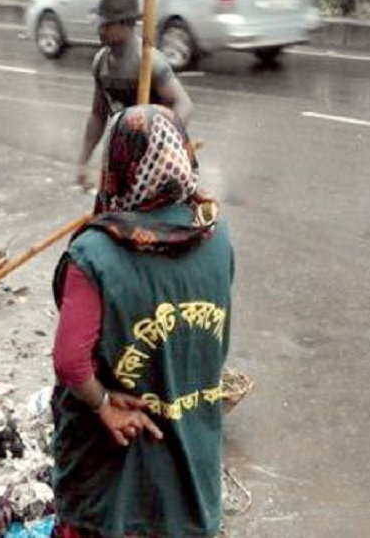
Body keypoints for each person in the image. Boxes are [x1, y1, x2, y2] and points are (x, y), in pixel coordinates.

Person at [52, 105, 234, 537]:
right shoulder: (215, 234)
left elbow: (70, 362)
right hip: (192, 456)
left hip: (114, 474)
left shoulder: (95, 255)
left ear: (118, 166)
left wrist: (102, 404)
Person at [77, 0, 194, 189]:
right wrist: (83, 161)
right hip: (122, 157)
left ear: (126, 25)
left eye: (107, 25)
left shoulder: (149, 62)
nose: (101, 30)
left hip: (156, 163)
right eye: (100, 24)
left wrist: (164, 147)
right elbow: (98, 115)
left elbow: (184, 104)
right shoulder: (101, 63)